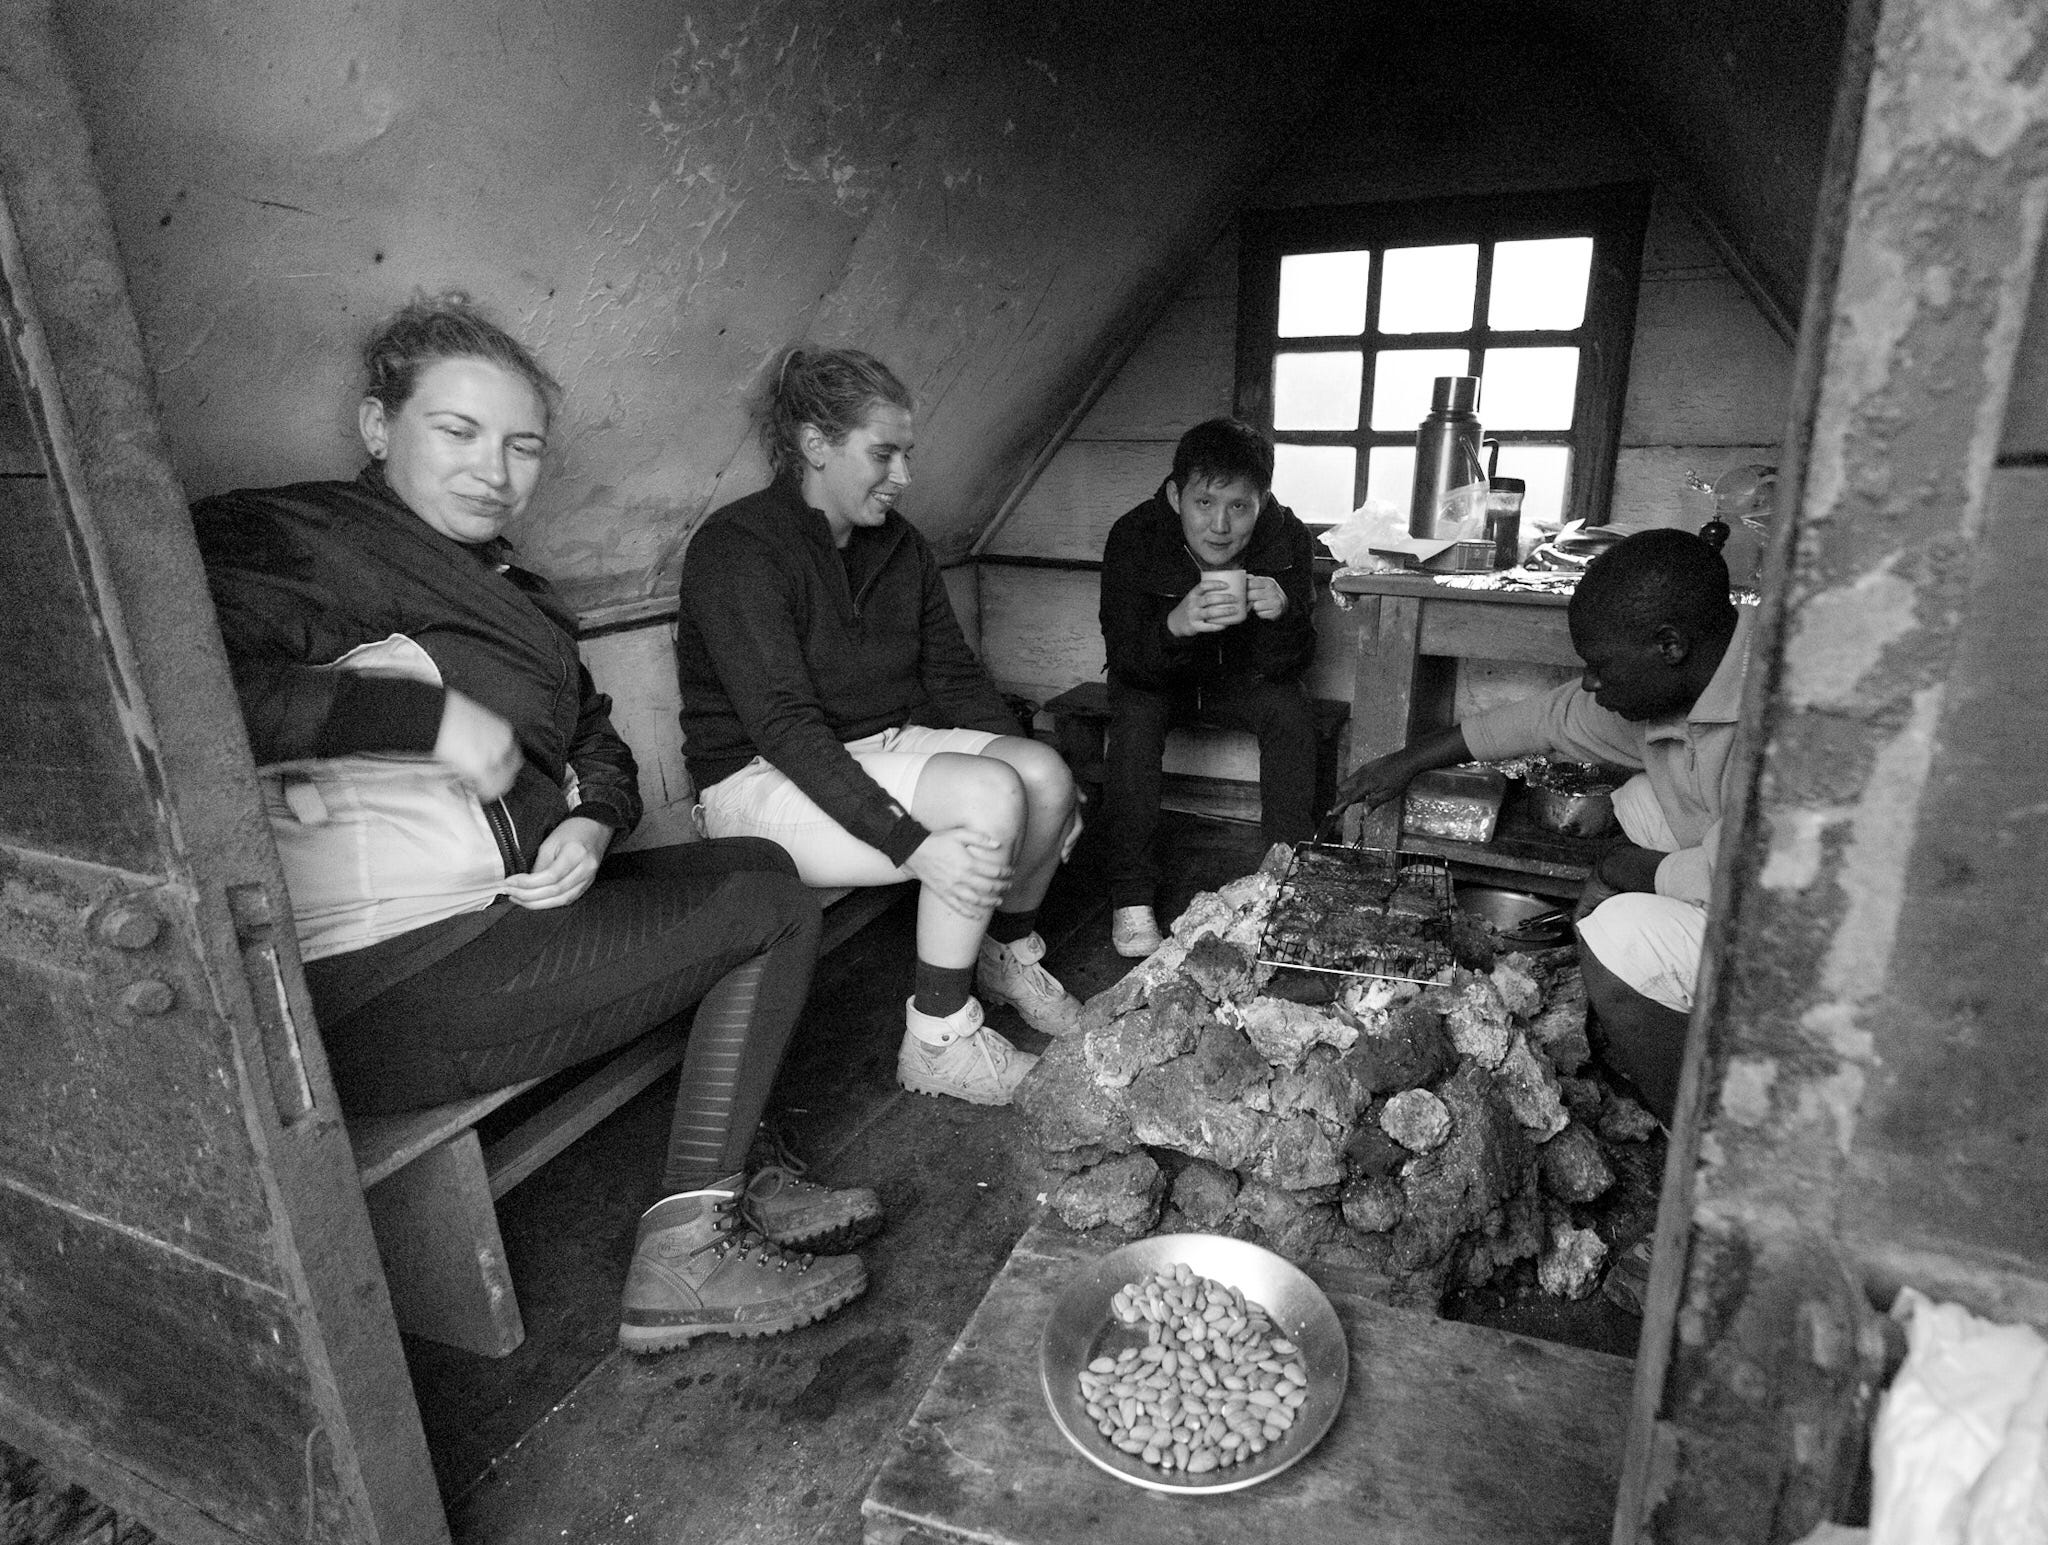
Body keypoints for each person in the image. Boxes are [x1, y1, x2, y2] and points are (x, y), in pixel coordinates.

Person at [191, 295, 875, 1356]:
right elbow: (174, 690)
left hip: (504, 915)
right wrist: (419, 718)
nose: (491, 469)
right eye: (455, 432)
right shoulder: (296, 538)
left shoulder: (515, 588)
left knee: (752, 862)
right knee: (768, 902)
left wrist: (592, 824)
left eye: (521, 447)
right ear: (379, 428)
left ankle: (739, 1167)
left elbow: (593, 737)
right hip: (388, 976)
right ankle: (690, 1259)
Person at [674, 346, 1081, 1108]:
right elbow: (787, 729)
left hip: (875, 744)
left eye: (907, 454)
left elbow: (955, 673)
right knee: (989, 800)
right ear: (814, 444)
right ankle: (938, 1039)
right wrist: (911, 843)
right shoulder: (740, 549)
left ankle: (1004, 951)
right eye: (883, 453)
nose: (903, 476)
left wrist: (1049, 782)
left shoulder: (898, 542)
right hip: (759, 779)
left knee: (1045, 778)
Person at [1328, 526, 1751, 1129]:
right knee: (1637, 800)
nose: (1591, 683)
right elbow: (1545, 720)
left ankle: (1697, 1130)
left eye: (1601, 667)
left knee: (1620, 935)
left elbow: (1744, 880)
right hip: (1725, 848)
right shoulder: (1678, 685)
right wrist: (1408, 761)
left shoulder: (1777, 717)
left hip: (1785, 925)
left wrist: (1629, 872)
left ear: (1670, 645)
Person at [1098, 418, 1318, 957]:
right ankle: (1131, 900)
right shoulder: (1134, 536)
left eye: (1238, 506)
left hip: (1241, 680)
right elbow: (1125, 659)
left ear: (1261, 501)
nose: (1219, 525)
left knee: (1291, 712)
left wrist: (1283, 613)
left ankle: (1284, 888)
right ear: (1176, 497)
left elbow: (1294, 663)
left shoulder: (1288, 537)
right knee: (1134, 720)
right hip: (1160, 677)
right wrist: (1173, 626)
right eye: (1204, 503)